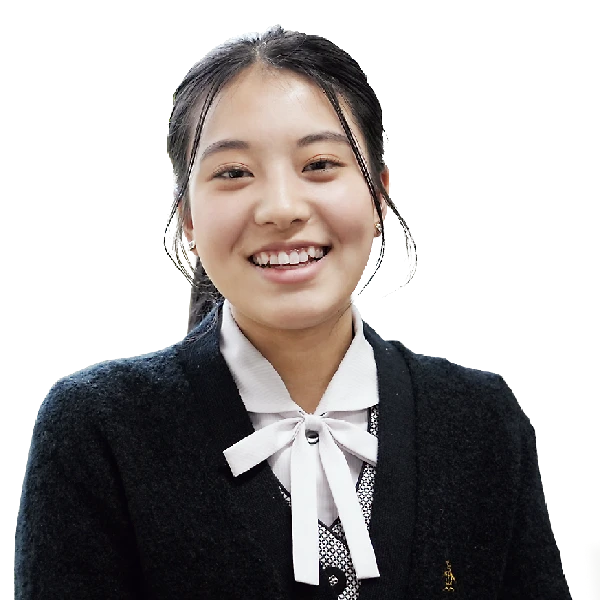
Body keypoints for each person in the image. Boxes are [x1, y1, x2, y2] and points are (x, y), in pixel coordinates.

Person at [14, 27, 570, 599]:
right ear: (188, 218)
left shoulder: (480, 420)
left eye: (320, 163)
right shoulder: (99, 430)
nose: (281, 209)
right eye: (233, 172)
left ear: (379, 196)